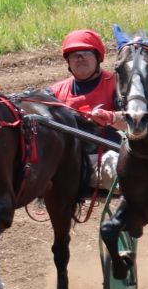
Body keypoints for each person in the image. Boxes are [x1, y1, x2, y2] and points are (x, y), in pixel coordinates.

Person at [48, 29, 121, 191]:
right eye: (74, 55)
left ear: (98, 57)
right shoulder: (55, 92)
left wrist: (111, 116)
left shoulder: (116, 84)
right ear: (68, 61)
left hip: (109, 158)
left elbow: (135, 119)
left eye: (85, 52)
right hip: (68, 164)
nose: (79, 58)